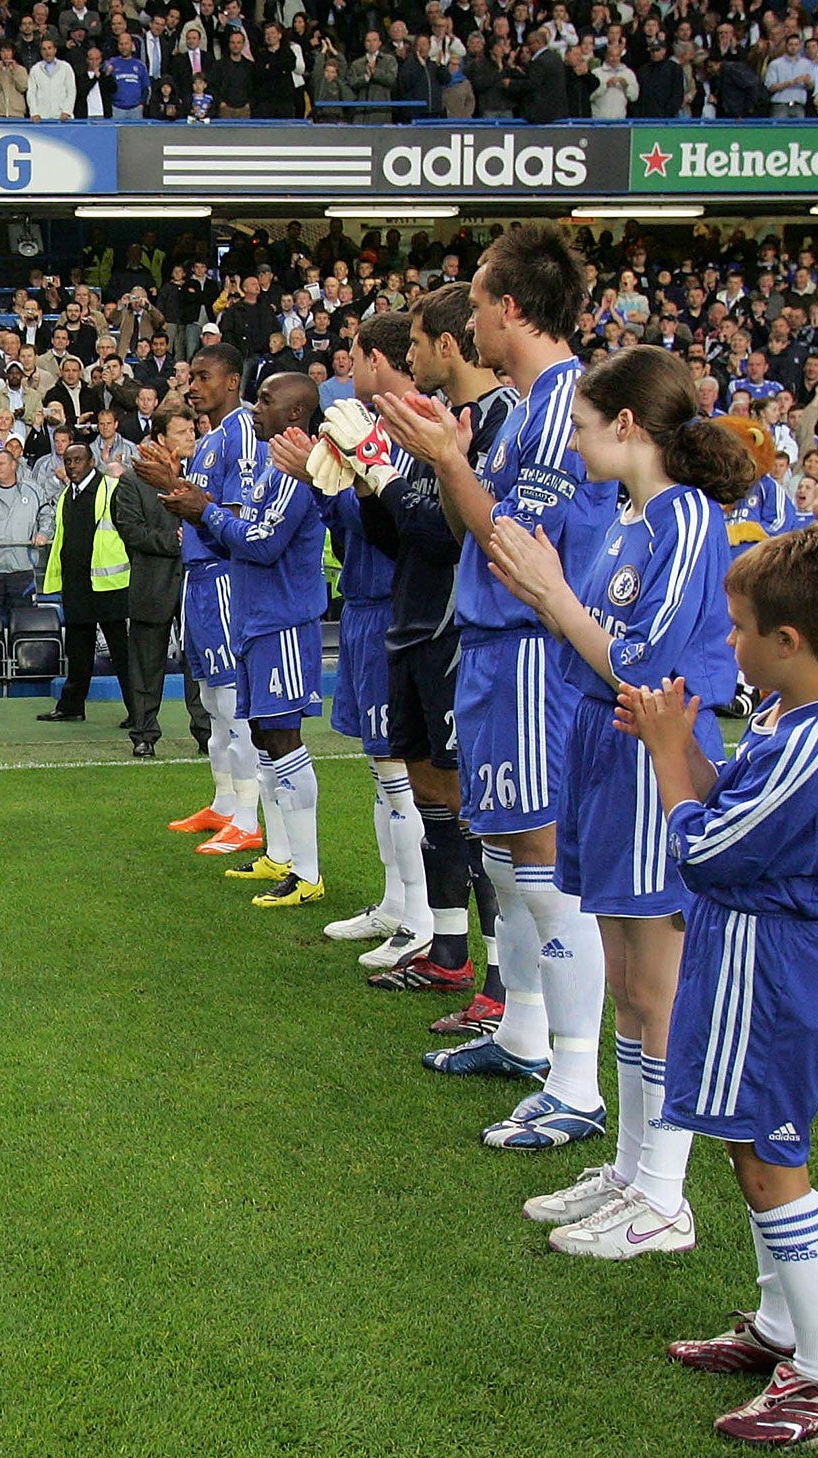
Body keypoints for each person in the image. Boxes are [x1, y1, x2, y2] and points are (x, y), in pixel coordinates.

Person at [485, 346, 748, 1257]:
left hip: (650, 754)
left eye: (589, 426)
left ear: (628, 426)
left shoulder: (685, 519)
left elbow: (641, 663)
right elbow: (587, 639)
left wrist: (553, 594)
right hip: (605, 750)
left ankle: (667, 1193)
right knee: (631, 987)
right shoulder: (629, 520)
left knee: (656, 986)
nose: (580, 443)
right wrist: (547, 591)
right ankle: (634, 1168)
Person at [375, 219, 619, 1153]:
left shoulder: (564, 405)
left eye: (475, 300)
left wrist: (447, 462)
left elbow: (515, 550)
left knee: (547, 870)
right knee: (513, 865)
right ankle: (522, 1035)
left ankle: (576, 1078)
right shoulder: (527, 403)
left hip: (528, 652)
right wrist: (453, 460)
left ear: (510, 308)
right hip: (492, 649)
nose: (465, 317)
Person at [635, 531, 818, 1442]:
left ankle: (817, 1372)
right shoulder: (784, 719)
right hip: (744, 950)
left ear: (789, 641)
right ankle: (784, 1329)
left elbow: (708, 850)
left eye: (742, 629)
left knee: (770, 1153)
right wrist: (675, 745)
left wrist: (673, 763)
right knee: (747, 1142)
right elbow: (727, 810)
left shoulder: (812, 743)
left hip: (774, 964)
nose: (730, 642)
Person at [341, 284, 512, 1032]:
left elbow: (452, 534)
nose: (407, 358)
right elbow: (402, 534)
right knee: (434, 796)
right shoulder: (432, 426)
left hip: (450, 630)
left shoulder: (495, 419)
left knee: (478, 810)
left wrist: (383, 475)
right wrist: (370, 483)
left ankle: (507, 981)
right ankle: (448, 952)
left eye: (414, 343)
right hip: (415, 625)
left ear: (447, 344)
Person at [165, 373, 331, 907]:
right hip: (258, 616)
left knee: (282, 739)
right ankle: (281, 855)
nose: (255, 409)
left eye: (266, 401)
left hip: (283, 621)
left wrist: (205, 511)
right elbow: (239, 531)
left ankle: (307, 872)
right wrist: (199, 509)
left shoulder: (295, 474)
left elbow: (262, 543)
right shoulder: (267, 466)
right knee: (263, 736)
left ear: (297, 414)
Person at [306, 313, 430, 966]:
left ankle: (420, 920)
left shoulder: (406, 430)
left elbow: (395, 518)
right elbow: (353, 525)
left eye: (352, 358)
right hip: (360, 605)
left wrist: (353, 480)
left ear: (377, 360)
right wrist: (325, 487)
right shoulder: (370, 430)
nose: (345, 372)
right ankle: (395, 902)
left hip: (390, 609)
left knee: (398, 772)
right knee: (380, 773)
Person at [137, 343, 264, 860]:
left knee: (234, 702)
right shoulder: (211, 439)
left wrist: (173, 485)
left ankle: (248, 817)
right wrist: (176, 484)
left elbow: (238, 511)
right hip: (198, 578)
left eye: (204, 376)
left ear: (232, 381)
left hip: (227, 578)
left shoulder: (243, 433)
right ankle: (224, 801)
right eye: (191, 376)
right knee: (211, 700)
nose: (192, 386)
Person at [34, 441, 148, 739]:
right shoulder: (65, 497)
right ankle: (72, 705)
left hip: (108, 584)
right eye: (67, 461)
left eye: (77, 460)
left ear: (91, 461)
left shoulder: (111, 488)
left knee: (122, 652)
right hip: (77, 584)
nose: (71, 466)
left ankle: (139, 712)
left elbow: (128, 530)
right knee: (78, 649)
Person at [117, 405, 192, 757]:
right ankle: (144, 733)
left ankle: (208, 733)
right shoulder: (133, 481)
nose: (190, 436)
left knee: (201, 663)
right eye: (181, 432)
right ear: (161, 438)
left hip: (196, 585)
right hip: (153, 583)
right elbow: (130, 530)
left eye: (192, 430)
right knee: (146, 665)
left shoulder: (202, 473)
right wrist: (173, 542)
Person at [0, 447, 50, 616]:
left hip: (23, 568)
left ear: (14, 465)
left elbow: (47, 515)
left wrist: (44, 534)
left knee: (25, 618)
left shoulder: (33, 492)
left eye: (2, 463)